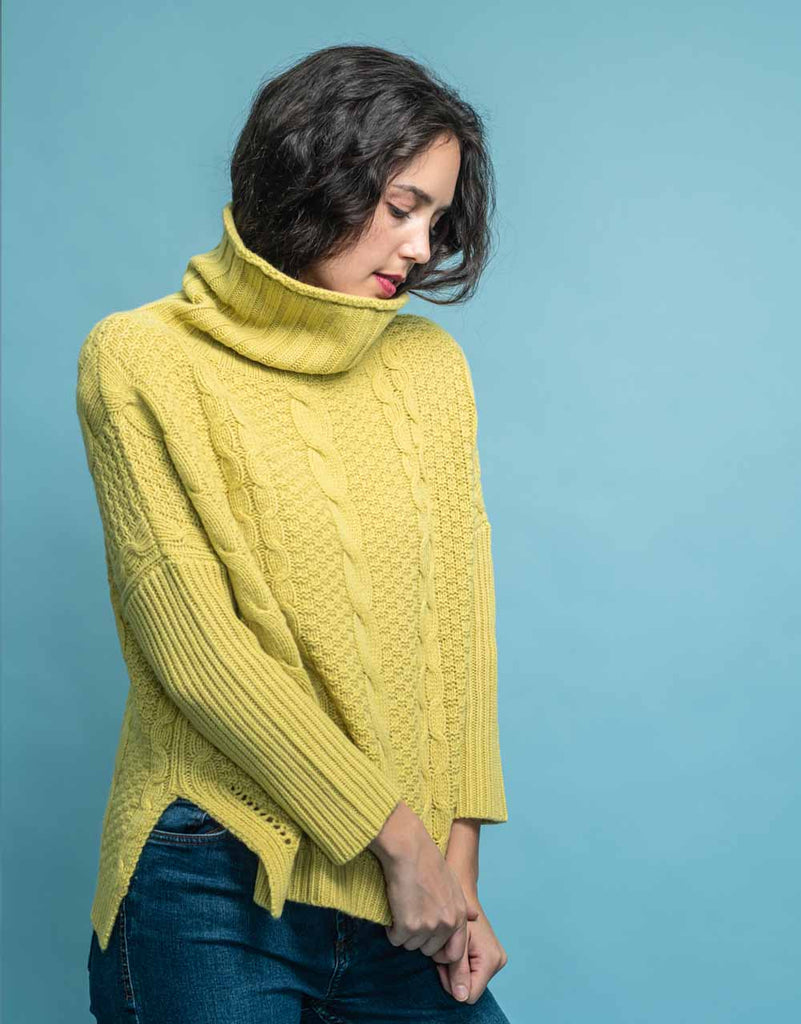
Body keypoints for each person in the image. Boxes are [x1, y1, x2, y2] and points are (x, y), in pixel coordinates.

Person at [78, 42, 511, 1023]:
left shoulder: (427, 368)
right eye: (401, 208)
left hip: (405, 892)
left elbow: (458, 629)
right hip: (214, 876)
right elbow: (198, 653)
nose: (421, 248)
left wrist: (457, 868)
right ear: (314, 176)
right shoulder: (139, 360)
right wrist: (397, 840)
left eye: (438, 219)